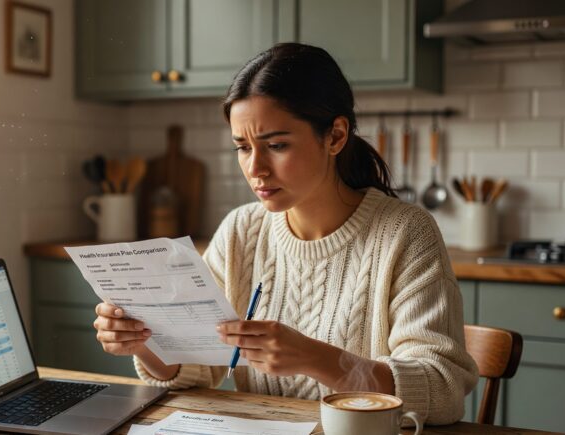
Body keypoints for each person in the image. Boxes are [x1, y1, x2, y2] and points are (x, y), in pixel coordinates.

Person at [92, 42, 478, 425]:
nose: (255, 168)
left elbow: (442, 391)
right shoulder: (241, 231)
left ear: (336, 136)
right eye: (242, 147)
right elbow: (198, 368)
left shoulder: (406, 233)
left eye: (276, 145)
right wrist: (145, 343)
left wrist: (318, 358)